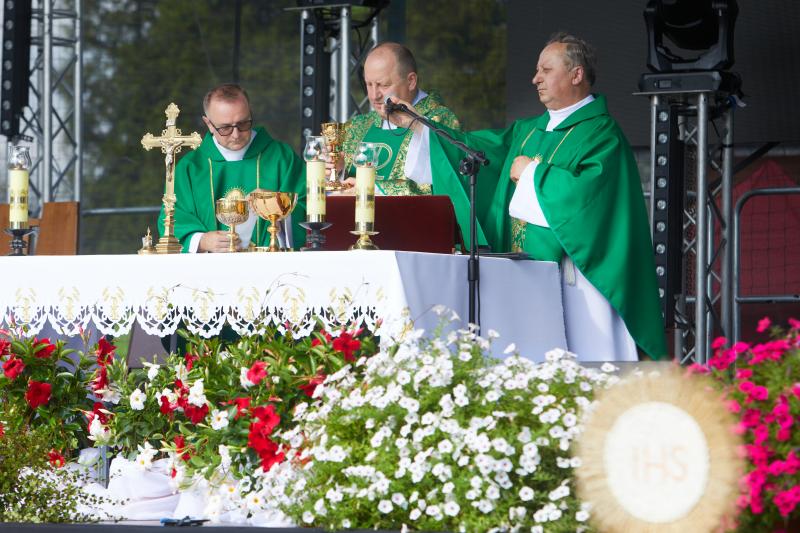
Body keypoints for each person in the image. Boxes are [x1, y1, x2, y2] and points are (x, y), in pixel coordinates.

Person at [387, 33, 667, 361]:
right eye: (537, 70)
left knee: (587, 365)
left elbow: (590, 200)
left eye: (546, 70)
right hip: (524, 276)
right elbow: (479, 151)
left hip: (581, 280)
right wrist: (421, 127)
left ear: (576, 74)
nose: (535, 78)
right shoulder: (527, 131)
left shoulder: (602, 134)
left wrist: (531, 173)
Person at [157, 83, 306, 252]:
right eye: (226, 127)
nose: (236, 135)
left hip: (271, 265)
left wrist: (277, 204)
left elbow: (307, 208)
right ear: (208, 124)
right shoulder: (190, 168)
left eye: (243, 124)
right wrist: (202, 241)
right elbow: (171, 219)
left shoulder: (281, 158)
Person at [332, 42, 461, 196]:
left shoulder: (438, 122)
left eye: (383, 85)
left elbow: (441, 185)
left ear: (411, 81)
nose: (373, 95)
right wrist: (338, 170)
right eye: (369, 84)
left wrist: (374, 188)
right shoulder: (357, 125)